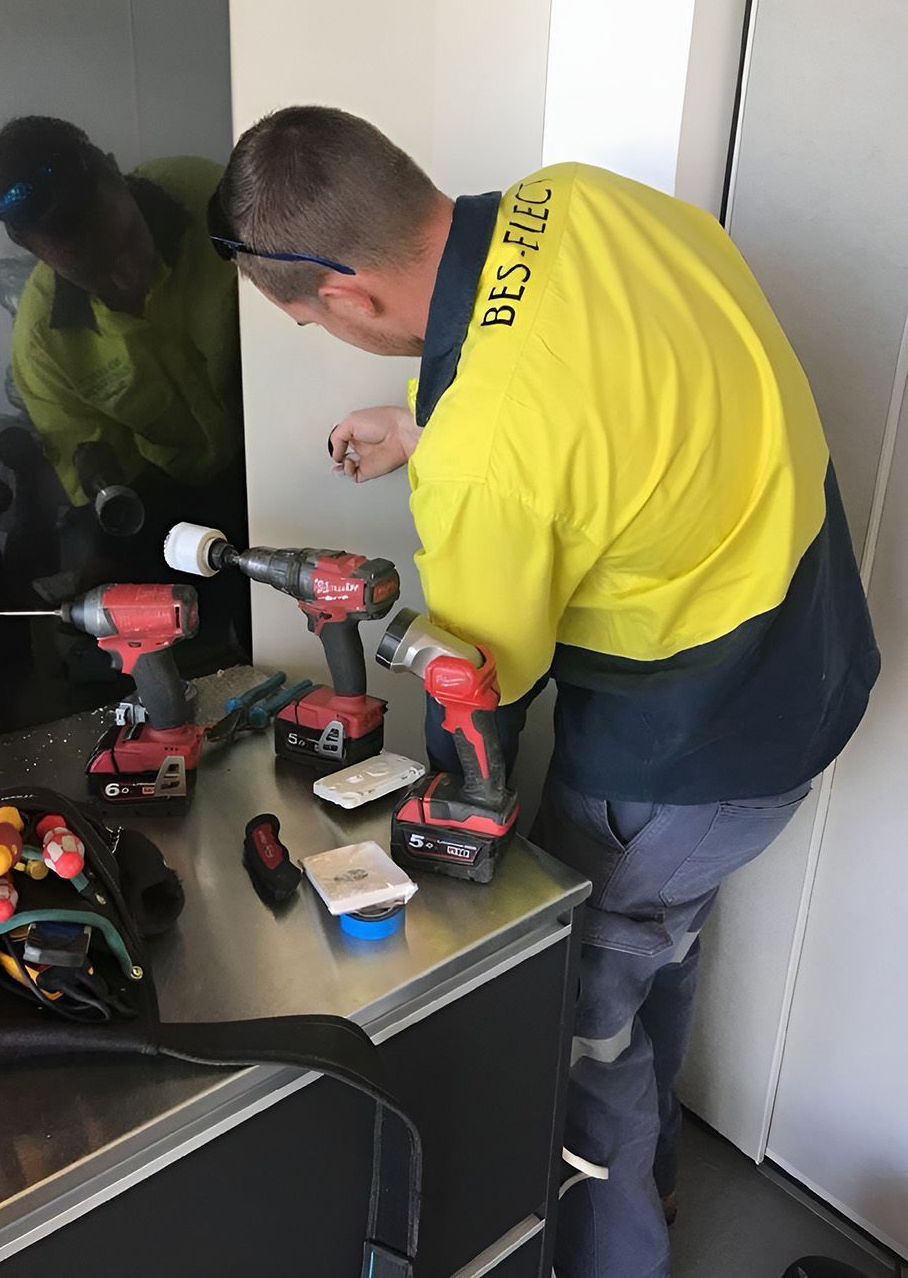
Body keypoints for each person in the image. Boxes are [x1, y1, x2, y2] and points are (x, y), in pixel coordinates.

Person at [214, 106, 879, 1278]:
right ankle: (663, 1178)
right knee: (658, 949)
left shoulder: (489, 454)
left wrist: (442, 848)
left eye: (315, 320)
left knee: (579, 1025)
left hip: (686, 756)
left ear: (351, 297)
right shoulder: (582, 197)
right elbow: (605, 388)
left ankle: (617, 1252)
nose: (335, 335)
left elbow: (483, 686)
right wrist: (430, 422)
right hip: (810, 657)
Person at [0, 116, 248, 659]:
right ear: (32, 250)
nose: (128, 277)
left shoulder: (212, 199)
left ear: (112, 171)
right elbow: (107, 486)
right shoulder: (44, 346)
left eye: (128, 243)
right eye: (94, 272)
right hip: (171, 491)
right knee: (194, 655)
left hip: (276, 451)